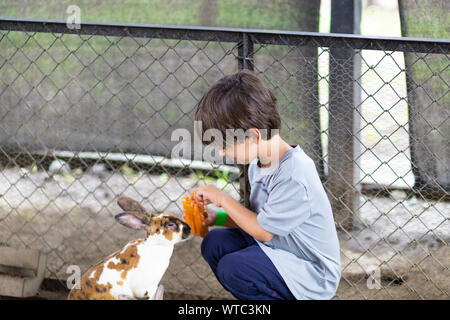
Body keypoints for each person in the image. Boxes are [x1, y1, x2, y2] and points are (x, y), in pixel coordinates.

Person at [187, 70, 341, 300]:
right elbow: (257, 219)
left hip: (311, 272)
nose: (221, 151)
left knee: (235, 268)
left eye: (225, 144)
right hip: (280, 250)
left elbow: (263, 231)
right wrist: (215, 216)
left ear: (253, 136)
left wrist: (222, 198)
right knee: (215, 243)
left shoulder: (293, 173)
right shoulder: (258, 163)